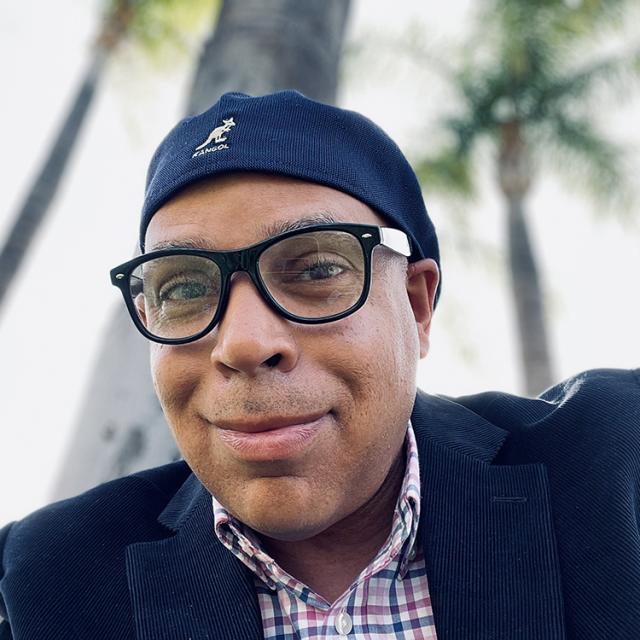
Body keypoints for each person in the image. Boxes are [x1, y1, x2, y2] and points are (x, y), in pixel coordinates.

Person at [0, 91, 638, 640]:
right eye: (185, 289)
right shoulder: (48, 580)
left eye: (316, 270)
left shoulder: (614, 468)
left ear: (417, 307)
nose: (243, 344)